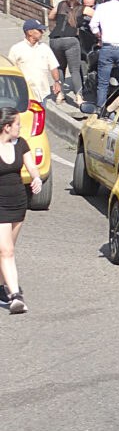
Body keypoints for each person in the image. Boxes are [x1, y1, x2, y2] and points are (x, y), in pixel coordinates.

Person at [0, 107, 41, 314]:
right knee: (6, 250)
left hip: (18, 202)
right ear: (7, 127)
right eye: (17, 124)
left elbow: (32, 166)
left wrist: (36, 178)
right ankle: (15, 295)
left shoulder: (21, 144)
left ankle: (0, 286)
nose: (20, 127)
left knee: (7, 250)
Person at [47, 0, 86, 106]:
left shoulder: (60, 5)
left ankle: (59, 95)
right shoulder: (81, 8)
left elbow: (50, 16)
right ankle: (79, 97)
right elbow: (96, 15)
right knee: (74, 70)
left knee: (60, 67)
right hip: (71, 40)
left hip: (54, 40)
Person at [8, 19, 63, 105]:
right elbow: (10, 71)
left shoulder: (44, 48)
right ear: (29, 32)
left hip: (42, 93)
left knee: (41, 117)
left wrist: (56, 82)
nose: (42, 32)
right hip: (25, 94)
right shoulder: (16, 49)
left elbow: (53, 66)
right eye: (39, 30)